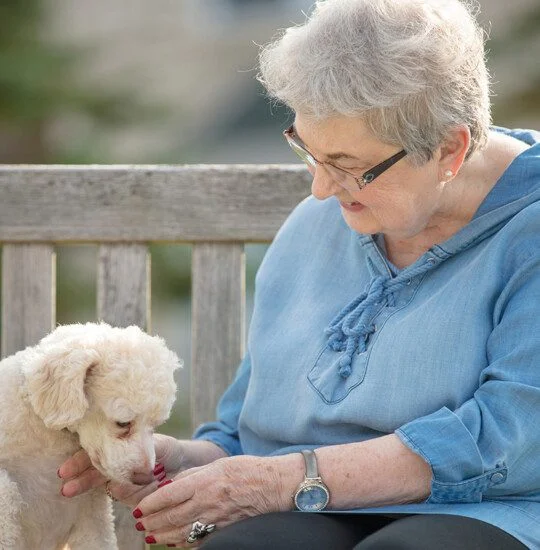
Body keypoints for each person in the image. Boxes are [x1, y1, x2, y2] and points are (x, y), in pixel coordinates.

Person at [58, 0, 540, 548]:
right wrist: (177, 464)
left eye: (351, 167)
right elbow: (247, 433)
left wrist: (287, 479)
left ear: (450, 149)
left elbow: (509, 439)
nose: (320, 190)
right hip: (309, 508)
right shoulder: (320, 222)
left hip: (498, 511)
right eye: (310, 152)